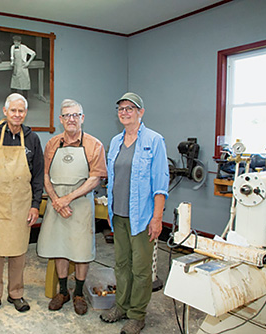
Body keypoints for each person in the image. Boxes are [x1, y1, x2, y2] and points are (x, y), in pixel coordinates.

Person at [100, 92, 169, 334]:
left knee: (141, 269)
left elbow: (161, 183)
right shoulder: (116, 141)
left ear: (141, 112)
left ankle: (137, 315)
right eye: (121, 108)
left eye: (130, 108)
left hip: (143, 217)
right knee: (121, 264)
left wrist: (157, 218)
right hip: (118, 215)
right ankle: (122, 306)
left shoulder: (154, 140)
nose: (125, 112)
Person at [0, 93, 44, 317]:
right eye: (13, 110)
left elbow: (37, 176)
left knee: (18, 253)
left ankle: (16, 293)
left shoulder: (32, 139)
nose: (17, 115)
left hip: (22, 205)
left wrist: (35, 205)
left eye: (21, 111)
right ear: (5, 112)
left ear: (25, 113)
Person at [37, 99, 107, 315]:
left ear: (82, 118)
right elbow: (46, 175)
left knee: (81, 250)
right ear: (61, 119)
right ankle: (63, 292)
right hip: (56, 203)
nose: (71, 119)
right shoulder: (52, 144)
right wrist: (56, 201)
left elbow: (95, 178)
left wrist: (67, 199)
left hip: (80, 205)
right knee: (59, 247)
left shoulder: (94, 145)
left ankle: (78, 293)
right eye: (67, 115)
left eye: (76, 115)